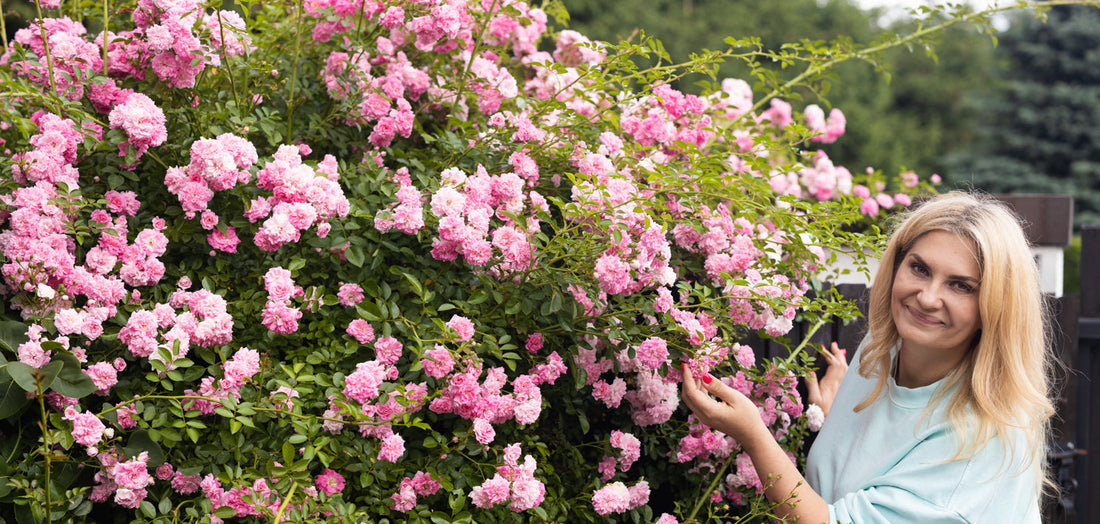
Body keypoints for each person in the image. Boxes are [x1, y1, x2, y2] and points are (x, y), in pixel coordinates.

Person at [681, 191, 1056, 523]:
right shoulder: (880, 352)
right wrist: (835, 414)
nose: (927, 297)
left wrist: (752, 432)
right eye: (919, 268)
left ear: (996, 307)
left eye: (961, 286)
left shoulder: (976, 443)